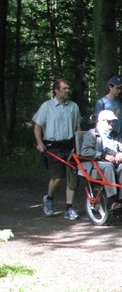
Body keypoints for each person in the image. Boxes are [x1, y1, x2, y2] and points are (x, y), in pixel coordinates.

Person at [33, 79, 82, 220]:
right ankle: (49, 198)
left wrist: (79, 144)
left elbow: (78, 127)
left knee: (73, 177)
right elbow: (37, 125)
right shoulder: (47, 106)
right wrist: (39, 143)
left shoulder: (74, 107)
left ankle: (69, 208)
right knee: (57, 178)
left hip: (70, 145)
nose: (67, 91)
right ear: (56, 90)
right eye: (64, 88)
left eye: (68, 88)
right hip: (53, 145)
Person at [80, 110, 122, 211]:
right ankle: (111, 200)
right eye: (109, 121)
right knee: (108, 166)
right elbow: (85, 151)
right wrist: (104, 156)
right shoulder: (91, 134)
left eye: (113, 121)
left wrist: (121, 153)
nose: (111, 123)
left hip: (114, 162)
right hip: (96, 162)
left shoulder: (115, 135)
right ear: (100, 121)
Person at [94, 75, 122, 141]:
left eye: (120, 88)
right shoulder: (101, 103)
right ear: (110, 87)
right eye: (117, 88)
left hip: (121, 138)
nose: (119, 90)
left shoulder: (120, 101)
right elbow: (97, 122)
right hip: (108, 138)